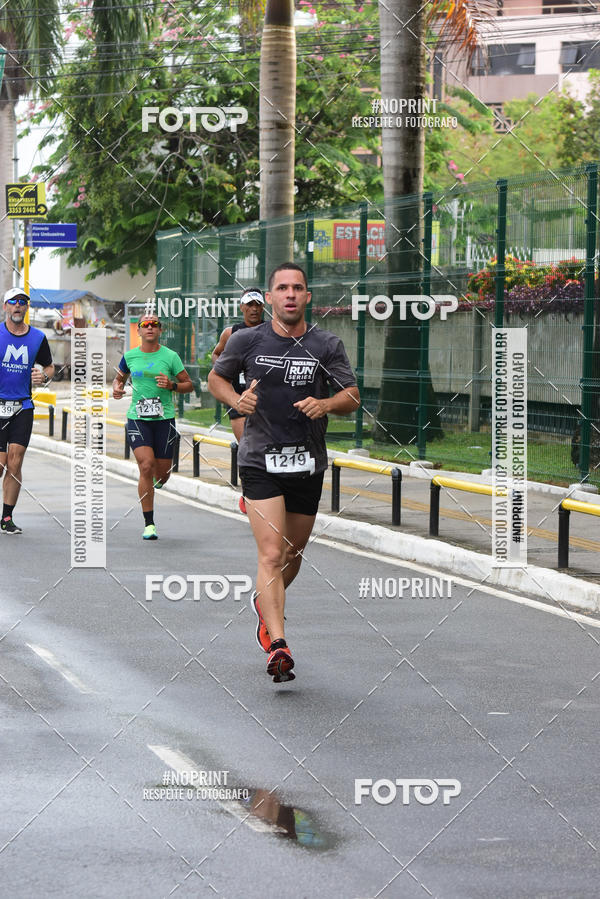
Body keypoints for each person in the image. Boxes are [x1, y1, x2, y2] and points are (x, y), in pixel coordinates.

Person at [208, 263, 359, 683]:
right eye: (282, 288)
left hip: (307, 461)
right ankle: (277, 643)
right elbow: (215, 380)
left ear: (308, 296)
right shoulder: (246, 339)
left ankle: (264, 603)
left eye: (298, 288)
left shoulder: (327, 344)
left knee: (292, 554)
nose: (290, 294)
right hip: (260, 460)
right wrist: (236, 400)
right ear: (270, 297)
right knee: (271, 553)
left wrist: (326, 404)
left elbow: (352, 395)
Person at [113, 315, 193, 540]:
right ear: (138, 331)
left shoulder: (171, 356)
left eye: (154, 324)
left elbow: (189, 385)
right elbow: (118, 380)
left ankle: (158, 482)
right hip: (138, 419)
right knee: (146, 466)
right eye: (145, 325)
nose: (150, 327)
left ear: (160, 330)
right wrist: (117, 389)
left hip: (164, 419)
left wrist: (172, 385)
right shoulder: (130, 356)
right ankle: (149, 524)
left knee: (162, 475)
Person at [0, 288, 54, 534]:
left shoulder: (38, 337)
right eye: (13, 302)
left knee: (15, 461)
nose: (18, 306)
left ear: (27, 308)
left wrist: (43, 376)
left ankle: (7, 518)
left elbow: (50, 367)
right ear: (5, 307)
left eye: (22, 302)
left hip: (23, 405)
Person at [211, 288, 265, 444]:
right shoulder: (230, 333)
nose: (254, 308)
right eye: (249, 304)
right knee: (246, 447)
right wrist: (225, 372)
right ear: (242, 307)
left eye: (257, 304)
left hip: (265, 399)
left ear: (262, 307)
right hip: (238, 398)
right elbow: (216, 354)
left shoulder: (272, 331)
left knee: (265, 450)